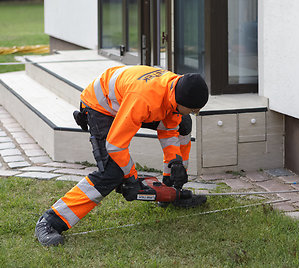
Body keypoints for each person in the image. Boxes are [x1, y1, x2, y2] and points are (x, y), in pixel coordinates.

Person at [34, 65, 209, 246]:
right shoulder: (144, 99)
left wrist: (175, 162)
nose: (195, 113)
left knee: (183, 124)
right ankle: (50, 221)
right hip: (100, 107)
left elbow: (170, 128)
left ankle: (171, 190)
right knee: (112, 172)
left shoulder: (175, 87)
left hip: (126, 100)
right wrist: (131, 179)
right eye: (194, 109)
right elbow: (116, 146)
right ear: (180, 100)